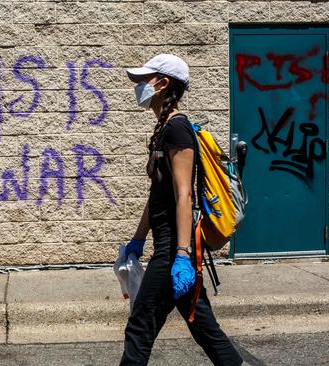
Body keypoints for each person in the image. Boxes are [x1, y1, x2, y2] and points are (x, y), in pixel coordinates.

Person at [119, 54, 243, 366]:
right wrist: (136, 241)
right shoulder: (164, 129)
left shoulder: (178, 130)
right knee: (202, 325)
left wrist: (182, 255)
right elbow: (158, 196)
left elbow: (184, 194)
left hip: (174, 248)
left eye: (145, 80)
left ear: (162, 84)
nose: (140, 86)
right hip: (168, 243)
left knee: (140, 326)